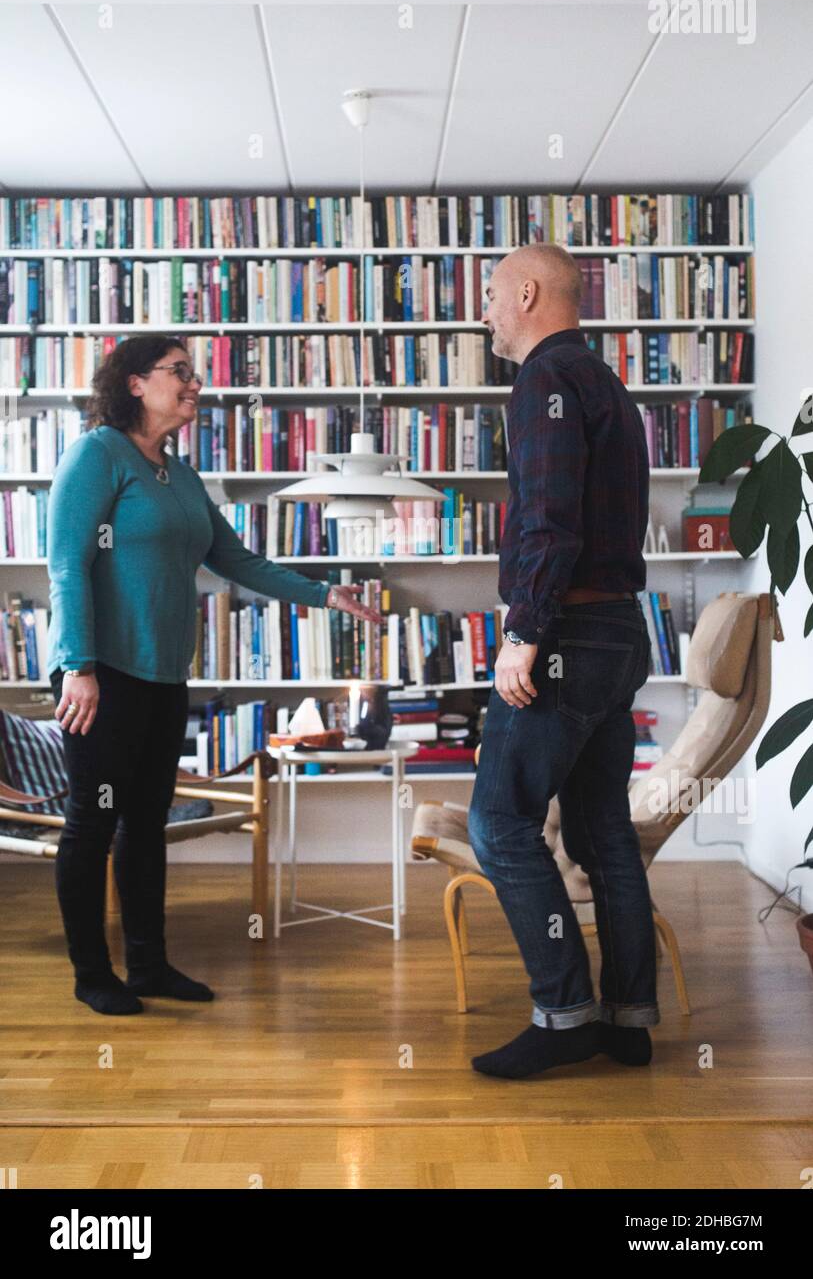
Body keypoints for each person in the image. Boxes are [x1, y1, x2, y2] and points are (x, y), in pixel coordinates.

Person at [47, 333, 384, 1016]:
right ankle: (93, 974)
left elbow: (239, 561)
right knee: (94, 822)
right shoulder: (96, 455)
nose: (194, 384)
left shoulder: (178, 474)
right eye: (179, 373)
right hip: (102, 675)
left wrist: (326, 594)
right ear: (135, 383)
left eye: (194, 373)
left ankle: (148, 965)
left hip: (165, 676)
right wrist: (77, 666)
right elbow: (66, 565)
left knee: (145, 824)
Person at [467, 243, 658, 1080]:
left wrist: (523, 632)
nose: (484, 312)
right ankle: (627, 1018)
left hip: (569, 638)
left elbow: (548, 518)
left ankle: (564, 1013)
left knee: (500, 823)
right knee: (599, 830)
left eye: (490, 295)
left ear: (529, 292)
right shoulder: (608, 384)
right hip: (618, 633)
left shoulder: (544, 379)